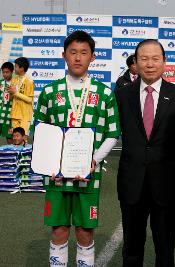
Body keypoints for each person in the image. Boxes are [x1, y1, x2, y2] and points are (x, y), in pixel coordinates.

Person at [33, 30, 121, 267]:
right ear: (64, 55)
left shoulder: (104, 94)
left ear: (93, 57)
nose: (78, 58)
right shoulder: (50, 92)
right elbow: (39, 130)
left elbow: (113, 133)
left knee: (84, 231)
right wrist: (47, 162)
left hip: (88, 175)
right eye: (73, 52)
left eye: (84, 53)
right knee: (59, 230)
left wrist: (94, 159)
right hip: (56, 176)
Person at [115, 39, 175, 267]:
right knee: (131, 250)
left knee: (165, 250)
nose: (150, 64)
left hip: (166, 183)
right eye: (144, 58)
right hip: (131, 182)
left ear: (164, 62)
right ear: (135, 63)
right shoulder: (121, 95)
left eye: (155, 58)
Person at [8, 57, 34, 137]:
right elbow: (11, 98)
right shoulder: (14, 80)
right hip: (14, 114)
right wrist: (10, 93)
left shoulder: (29, 81)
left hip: (24, 115)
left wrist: (16, 93)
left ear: (22, 68)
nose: (14, 68)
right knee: (15, 138)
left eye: (15, 66)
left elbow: (30, 100)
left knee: (23, 138)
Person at [0, 62, 14, 143]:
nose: (5, 74)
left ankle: (12, 154)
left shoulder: (15, 83)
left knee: (9, 138)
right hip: (1, 113)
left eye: (7, 72)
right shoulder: (1, 83)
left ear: (12, 72)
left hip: (10, 115)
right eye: (3, 72)